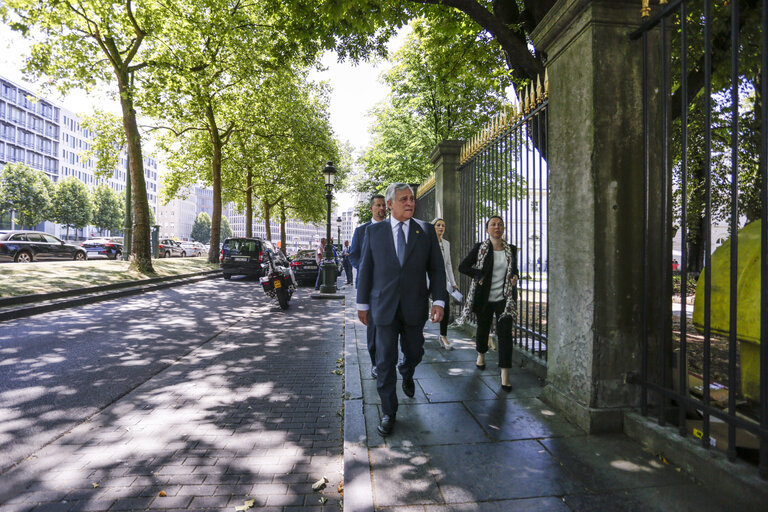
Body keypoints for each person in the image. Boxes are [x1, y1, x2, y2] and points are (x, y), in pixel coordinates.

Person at [357, 183, 447, 437]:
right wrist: (361, 303)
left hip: (414, 306)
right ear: (389, 205)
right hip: (382, 308)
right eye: (404, 199)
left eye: (412, 199)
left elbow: (437, 269)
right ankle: (389, 412)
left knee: (415, 351)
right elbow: (365, 270)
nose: (410, 203)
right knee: (384, 361)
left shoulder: (425, 231)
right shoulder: (374, 233)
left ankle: (407, 370)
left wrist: (439, 300)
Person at [458, 215, 519, 392]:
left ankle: (505, 375)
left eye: (500, 224)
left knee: (505, 334)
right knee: (483, 329)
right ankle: (481, 354)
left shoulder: (511, 250)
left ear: (504, 229)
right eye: (493, 224)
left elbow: (515, 270)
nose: (497, 227)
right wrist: (478, 275)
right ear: (487, 230)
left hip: (504, 299)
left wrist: (515, 277)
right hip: (484, 298)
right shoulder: (480, 248)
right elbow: (463, 267)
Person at [348, 194, 387, 378]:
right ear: (371, 208)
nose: (382, 209)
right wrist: (366, 269)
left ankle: (387, 360)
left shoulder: (392, 229)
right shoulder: (361, 231)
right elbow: (353, 255)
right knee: (373, 327)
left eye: (384, 206)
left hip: (388, 287)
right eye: (378, 205)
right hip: (370, 287)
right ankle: (375, 364)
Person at [432, 218, 459, 350]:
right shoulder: (427, 242)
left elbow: (448, 264)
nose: (441, 227)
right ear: (433, 227)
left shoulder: (446, 244)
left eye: (443, 225)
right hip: (427, 279)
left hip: (442, 281)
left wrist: (453, 283)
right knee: (419, 306)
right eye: (438, 225)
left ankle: (443, 336)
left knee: (446, 306)